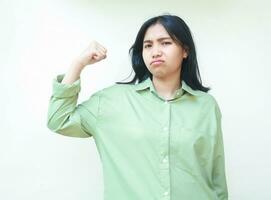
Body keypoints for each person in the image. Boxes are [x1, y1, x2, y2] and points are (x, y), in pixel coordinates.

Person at [47, 14, 228, 200]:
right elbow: (58, 120)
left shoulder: (206, 106)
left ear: (185, 50)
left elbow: (216, 177)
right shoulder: (112, 101)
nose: (155, 51)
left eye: (165, 43)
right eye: (148, 45)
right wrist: (78, 64)